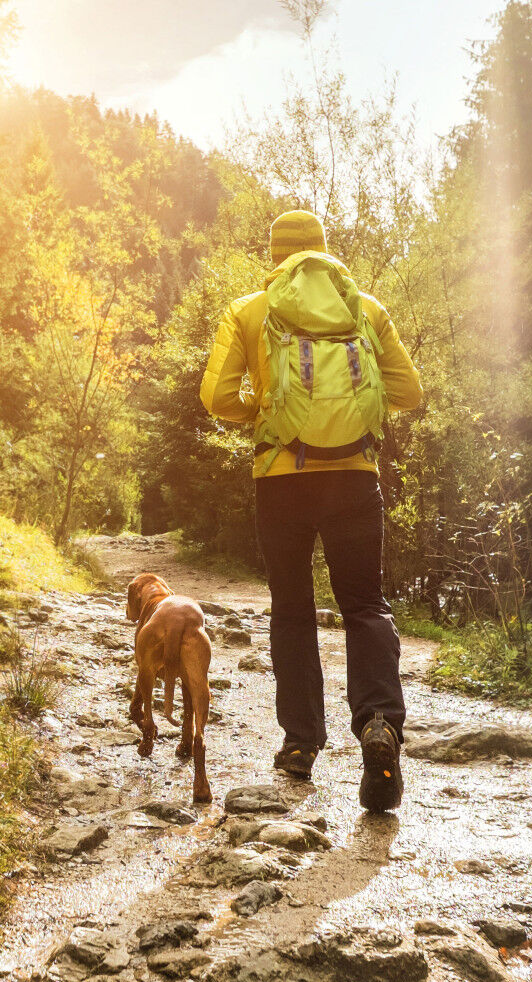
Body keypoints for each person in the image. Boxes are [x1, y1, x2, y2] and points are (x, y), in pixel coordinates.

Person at [198, 209, 423, 811]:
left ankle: (300, 744)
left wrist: (270, 413)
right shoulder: (365, 309)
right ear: (324, 251)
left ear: (274, 254)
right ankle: (379, 723)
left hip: (281, 477)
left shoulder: (250, 310)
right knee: (365, 605)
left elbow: (216, 397)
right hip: (354, 475)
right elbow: (409, 392)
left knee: (293, 611)